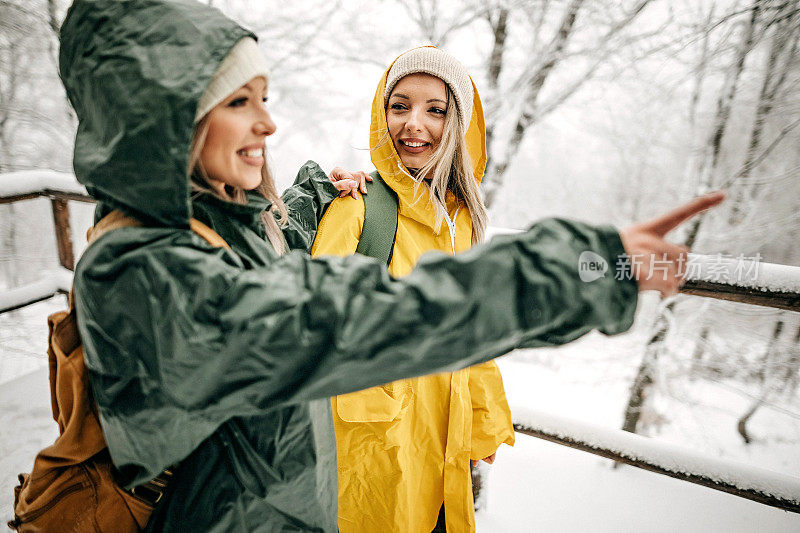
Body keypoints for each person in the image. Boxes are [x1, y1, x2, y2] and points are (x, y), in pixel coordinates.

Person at [52, 1, 722, 531]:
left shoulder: (217, 227)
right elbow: (344, 314)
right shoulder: (142, 269)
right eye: (238, 102)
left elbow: (292, 274)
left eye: (264, 97)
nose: (269, 124)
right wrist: (578, 267)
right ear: (168, 121)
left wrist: (478, 425)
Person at [311, 47, 514, 533]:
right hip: (368, 455)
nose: (413, 124)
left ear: (460, 124)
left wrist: (484, 417)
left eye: (435, 110)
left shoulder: (462, 222)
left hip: (444, 449)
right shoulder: (359, 208)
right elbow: (311, 323)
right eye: (399, 106)